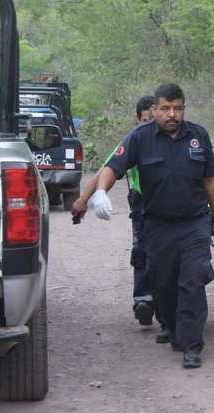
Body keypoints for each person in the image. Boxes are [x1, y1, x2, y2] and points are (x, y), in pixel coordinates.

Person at [90, 83, 214, 369]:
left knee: (193, 279)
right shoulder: (140, 137)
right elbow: (113, 167)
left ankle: (192, 344)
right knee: (163, 284)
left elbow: (211, 178)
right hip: (157, 225)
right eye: (165, 109)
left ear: (184, 108)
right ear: (155, 109)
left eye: (178, 108)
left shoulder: (198, 136)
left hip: (194, 222)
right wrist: (100, 191)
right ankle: (174, 328)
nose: (172, 114)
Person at [71, 95, 157, 326]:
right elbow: (105, 171)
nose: (150, 125)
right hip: (142, 205)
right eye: (146, 120)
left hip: (172, 204)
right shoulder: (133, 142)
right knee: (141, 251)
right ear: (138, 119)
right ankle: (144, 300)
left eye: (153, 119)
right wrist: (85, 199)